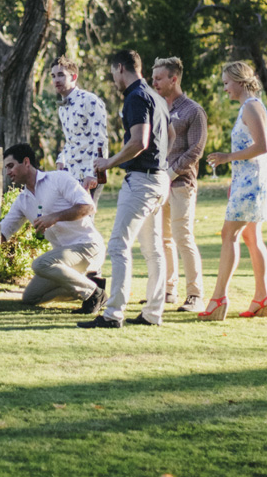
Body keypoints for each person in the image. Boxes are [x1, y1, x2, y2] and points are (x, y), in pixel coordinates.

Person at [77, 49, 174, 330]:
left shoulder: (135, 97)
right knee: (153, 250)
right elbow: (171, 135)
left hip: (142, 180)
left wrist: (110, 161)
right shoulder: (157, 96)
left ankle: (113, 314)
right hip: (160, 178)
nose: (113, 79)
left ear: (120, 68)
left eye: (112, 73)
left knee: (119, 245)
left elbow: (140, 141)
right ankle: (153, 313)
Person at [199, 61, 267, 321]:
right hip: (248, 182)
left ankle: (218, 298)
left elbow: (263, 146)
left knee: (228, 234)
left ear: (240, 81)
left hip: (253, 183)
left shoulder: (252, 106)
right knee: (251, 238)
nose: (224, 89)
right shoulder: (249, 107)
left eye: (226, 83)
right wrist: (235, 180)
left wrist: (227, 157)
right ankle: (261, 298)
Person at [1, 143, 107, 311]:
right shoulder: (22, 201)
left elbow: (88, 207)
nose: (8, 172)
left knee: (40, 264)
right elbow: (2, 234)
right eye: (6, 168)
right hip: (65, 261)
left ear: (26, 162)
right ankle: (90, 284)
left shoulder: (58, 179)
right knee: (31, 297)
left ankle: (93, 292)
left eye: (11, 166)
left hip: (88, 246)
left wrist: (55, 217)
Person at [151, 56, 207, 313]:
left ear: (174, 79)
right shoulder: (158, 108)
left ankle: (195, 295)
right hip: (158, 184)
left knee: (183, 237)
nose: (154, 82)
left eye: (159, 78)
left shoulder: (193, 111)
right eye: (153, 78)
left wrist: (170, 174)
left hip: (181, 184)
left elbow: (196, 150)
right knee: (163, 240)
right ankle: (169, 290)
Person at [51, 55, 108, 203]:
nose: (56, 80)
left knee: (86, 220)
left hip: (89, 173)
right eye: (53, 76)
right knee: (71, 221)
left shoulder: (90, 100)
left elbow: (100, 139)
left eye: (61, 75)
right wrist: (61, 159)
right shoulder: (62, 108)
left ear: (74, 77)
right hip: (71, 172)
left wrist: (93, 173)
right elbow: (70, 140)